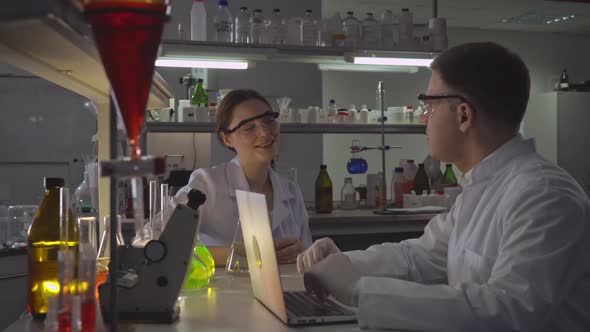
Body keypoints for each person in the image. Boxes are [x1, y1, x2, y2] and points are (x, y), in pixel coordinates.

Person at [297, 42, 590, 331]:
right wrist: (342, 263)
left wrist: (359, 290)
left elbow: (509, 309)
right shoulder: (482, 187)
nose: (424, 117)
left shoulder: (544, 196)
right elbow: (420, 257)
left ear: (463, 115)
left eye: (429, 105)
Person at [173, 89, 312, 265]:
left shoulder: (291, 191)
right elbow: (156, 241)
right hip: (225, 291)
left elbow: (307, 254)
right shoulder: (208, 185)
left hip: (287, 291)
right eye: (249, 128)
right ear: (227, 139)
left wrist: (303, 253)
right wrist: (235, 254)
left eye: (269, 121)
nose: (265, 133)